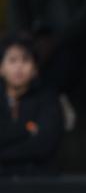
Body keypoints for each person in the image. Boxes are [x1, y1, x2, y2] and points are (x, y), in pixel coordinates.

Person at [0, 36, 64, 176]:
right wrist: (26, 131)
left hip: (38, 179)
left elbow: (44, 144)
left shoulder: (48, 98)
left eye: (25, 60)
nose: (19, 67)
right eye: (12, 60)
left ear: (35, 69)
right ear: (1, 68)